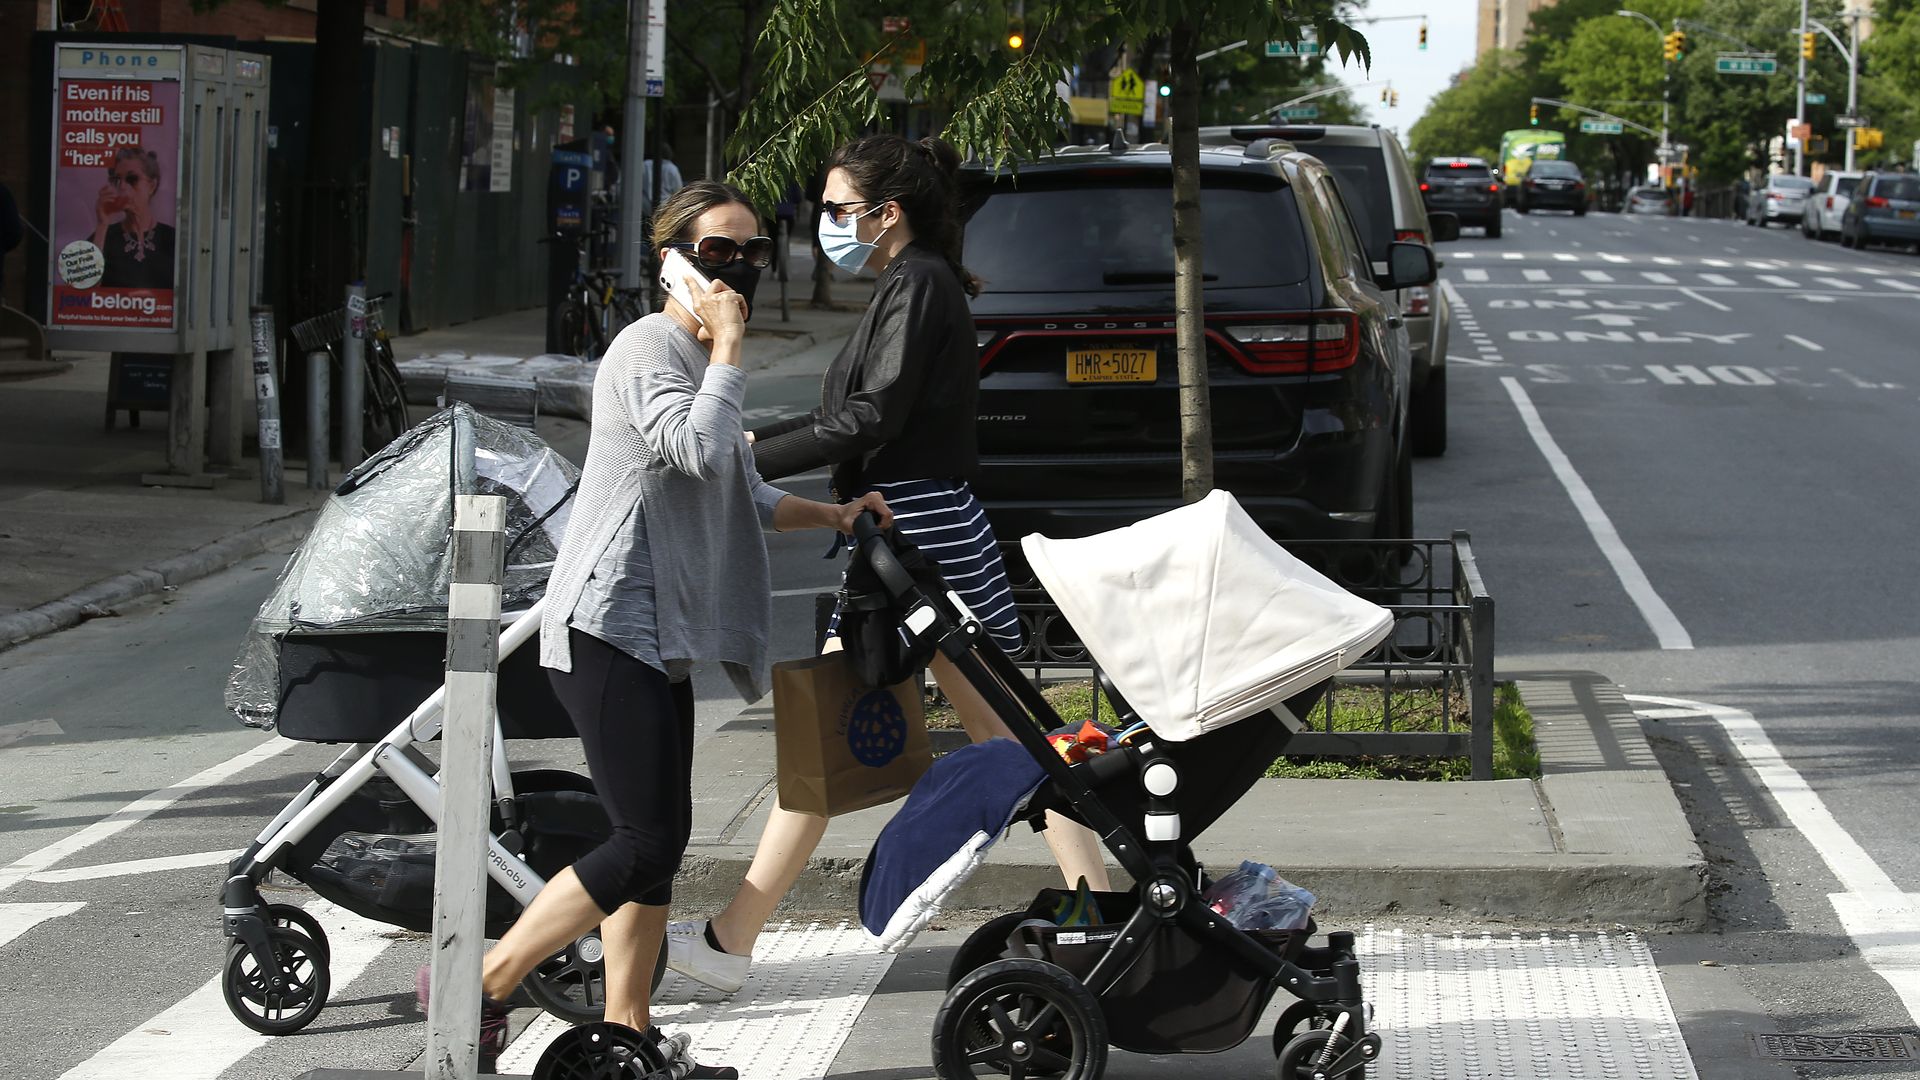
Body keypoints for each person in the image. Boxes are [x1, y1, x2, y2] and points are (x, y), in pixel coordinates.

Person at [434, 181, 891, 1075]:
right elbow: (698, 449)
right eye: (718, 251)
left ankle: (630, 1036)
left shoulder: (698, 356)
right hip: (607, 625)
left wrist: (830, 515)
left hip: (661, 634)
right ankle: (482, 981)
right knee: (643, 839)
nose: (738, 268)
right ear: (672, 261)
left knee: (659, 844)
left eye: (753, 252)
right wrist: (729, 349)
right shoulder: (648, 347)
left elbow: (739, 486)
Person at [664, 134, 1114, 995]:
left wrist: (747, 452)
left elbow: (872, 416)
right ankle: (731, 939)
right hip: (907, 530)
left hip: (917, 535)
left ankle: (1098, 914)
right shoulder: (913, 281)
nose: (828, 223)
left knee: (995, 737)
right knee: (905, 734)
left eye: (838, 209)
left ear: (887, 212)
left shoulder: (920, 284)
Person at [90, 147, 175, 290]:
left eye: (132, 179)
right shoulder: (104, 236)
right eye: (117, 180)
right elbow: (84, 290)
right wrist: (102, 223)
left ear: (151, 186)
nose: (123, 186)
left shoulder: (171, 238)